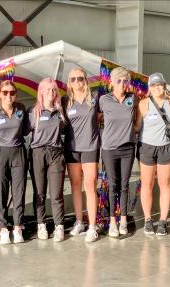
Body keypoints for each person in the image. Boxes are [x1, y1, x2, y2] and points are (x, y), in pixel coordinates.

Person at [0, 80, 27, 244]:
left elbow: (27, 127)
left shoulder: (21, 109)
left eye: (12, 92)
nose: (9, 95)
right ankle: (3, 228)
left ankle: (17, 227)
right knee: (1, 191)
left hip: (18, 152)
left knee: (19, 191)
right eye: (5, 92)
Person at [135, 73, 170, 236]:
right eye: (153, 85)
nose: (157, 87)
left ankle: (163, 221)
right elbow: (138, 126)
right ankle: (147, 219)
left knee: (165, 184)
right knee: (147, 184)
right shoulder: (143, 104)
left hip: (165, 147)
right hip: (147, 147)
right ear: (149, 88)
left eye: (160, 85)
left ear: (164, 86)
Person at [62, 68, 100, 242]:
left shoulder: (95, 98)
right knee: (76, 185)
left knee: (90, 185)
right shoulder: (64, 101)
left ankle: (92, 226)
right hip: (72, 148)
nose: (76, 81)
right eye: (72, 79)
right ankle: (79, 221)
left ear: (85, 80)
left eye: (80, 78)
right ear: (69, 82)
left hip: (90, 147)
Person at [26, 78, 66, 242]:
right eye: (48, 89)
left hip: (56, 153)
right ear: (41, 92)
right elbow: (21, 131)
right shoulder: (33, 112)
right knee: (40, 193)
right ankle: (41, 224)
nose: (51, 92)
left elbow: (66, 129)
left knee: (56, 193)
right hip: (38, 153)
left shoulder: (60, 112)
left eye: (54, 90)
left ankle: (59, 226)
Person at [99, 67, 137, 237]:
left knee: (124, 185)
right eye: (119, 80)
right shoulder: (103, 100)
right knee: (112, 184)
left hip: (128, 148)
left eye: (125, 81)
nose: (122, 84)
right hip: (109, 149)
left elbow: (139, 119)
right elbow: (95, 118)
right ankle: (112, 221)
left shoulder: (133, 99)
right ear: (111, 82)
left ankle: (123, 220)